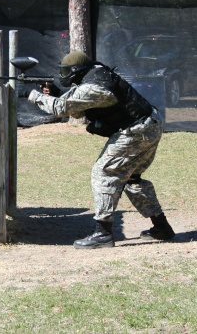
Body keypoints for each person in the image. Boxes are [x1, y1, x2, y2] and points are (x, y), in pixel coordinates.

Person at [26, 51, 175, 249]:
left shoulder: (94, 86)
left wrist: (30, 94)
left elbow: (62, 109)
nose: (63, 75)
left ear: (77, 70)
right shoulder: (96, 74)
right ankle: (162, 227)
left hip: (137, 130)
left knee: (103, 172)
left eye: (66, 71)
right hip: (148, 124)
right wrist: (54, 93)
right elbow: (76, 106)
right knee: (131, 178)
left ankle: (103, 233)